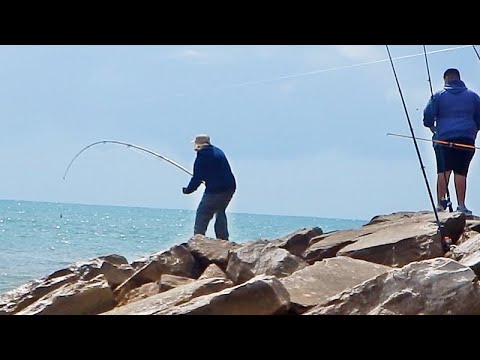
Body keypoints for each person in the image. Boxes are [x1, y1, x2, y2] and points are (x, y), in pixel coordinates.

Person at [423, 68, 480, 216]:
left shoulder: (439, 96)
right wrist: (473, 131)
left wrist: (432, 128)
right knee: (461, 172)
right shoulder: (473, 97)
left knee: (443, 171)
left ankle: (441, 205)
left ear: (446, 79)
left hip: (443, 138)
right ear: (459, 79)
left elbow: (428, 115)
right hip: (466, 139)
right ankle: (461, 206)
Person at [182, 134, 236, 240]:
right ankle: (223, 239)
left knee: (202, 213)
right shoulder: (218, 151)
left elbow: (197, 178)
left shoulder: (202, 156)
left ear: (198, 145)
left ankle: (198, 240)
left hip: (215, 190)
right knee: (220, 210)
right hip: (229, 187)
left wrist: (188, 190)